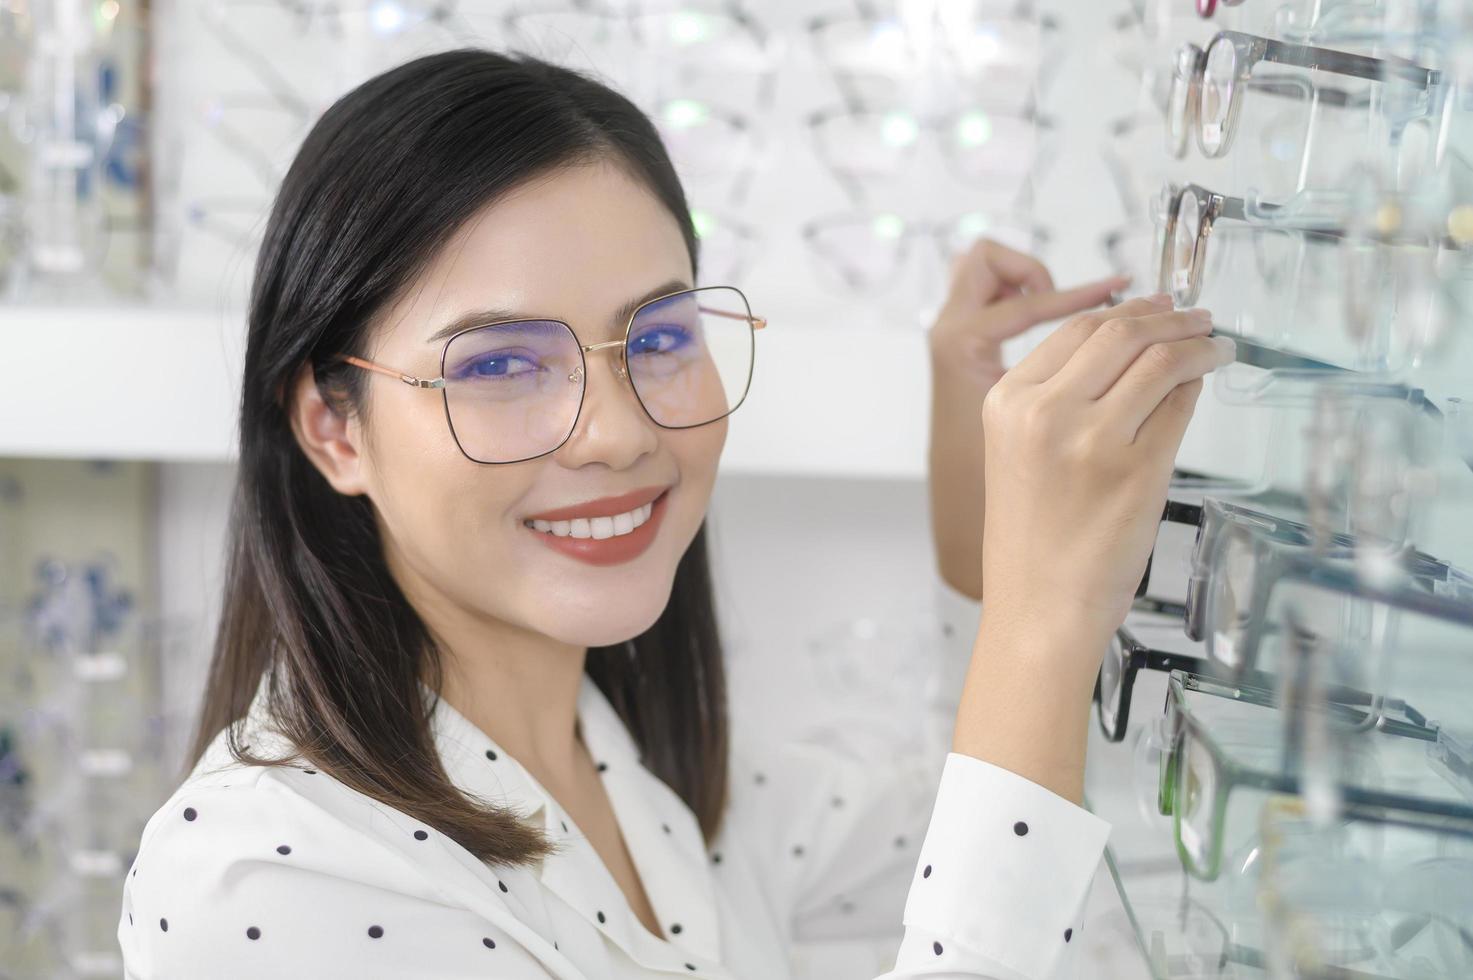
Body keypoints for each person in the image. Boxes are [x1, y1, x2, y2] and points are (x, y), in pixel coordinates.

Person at [118, 48, 1232, 979]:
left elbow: (993, 837)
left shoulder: (646, 774)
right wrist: (1045, 612)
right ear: (334, 427)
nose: (615, 430)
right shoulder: (261, 877)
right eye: (502, 361)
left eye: (657, 338)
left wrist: (968, 440)